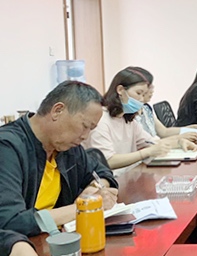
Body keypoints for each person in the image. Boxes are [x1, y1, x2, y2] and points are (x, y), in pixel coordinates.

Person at [0, 81, 118, 234]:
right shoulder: (7, 147)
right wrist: (84, 206)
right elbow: (10, 221)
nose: (85, 136)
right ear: (57, 111)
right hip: (23, 244)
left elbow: (102, 172)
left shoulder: (66, 147)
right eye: (85, 126)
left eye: (91, 129)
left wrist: (93, 190)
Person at [84, 67, 197, 170]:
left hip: (131, 176)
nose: (141, 99)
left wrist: (179, 142)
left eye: (144, 95)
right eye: (138, 93)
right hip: (111, 182)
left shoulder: (128, 119)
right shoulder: (101, 120)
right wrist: (144, 153)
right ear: (120, 90)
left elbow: (152, 143)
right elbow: (108, 161)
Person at [133, 67, 197, 141]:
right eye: (149, 87)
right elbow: (146, 143)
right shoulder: (130, 113)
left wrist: (189, 129)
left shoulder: (146, 108)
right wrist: (178, 138)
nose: (151, 91)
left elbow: (164, 132)